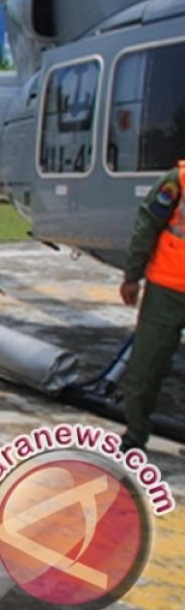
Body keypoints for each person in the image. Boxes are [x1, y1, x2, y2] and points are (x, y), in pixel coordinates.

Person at [118, 160, 185, 452]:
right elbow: (147, 223)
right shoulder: (178, 181)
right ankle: (135, 434)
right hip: (166, 289)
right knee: (145, 367)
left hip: (168, 287)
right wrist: (133, 275)